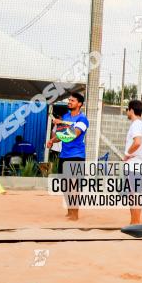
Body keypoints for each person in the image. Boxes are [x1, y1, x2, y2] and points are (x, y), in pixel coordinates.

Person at [46, 92, 89, 221]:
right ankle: (70, 212)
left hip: (76, 156)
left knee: (73, 186)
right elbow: (62, 136)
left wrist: (62, 123)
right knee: (65, 186)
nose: (69, 102)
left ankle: (75, 215)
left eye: (72, 100)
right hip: (64, 155)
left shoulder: (82, 119)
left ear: (79, 104)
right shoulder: (66, 116)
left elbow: (74, 134)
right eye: (69, 100)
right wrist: (52, 140)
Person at [123, 99, 142, 225]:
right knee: (133, 194)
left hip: (134, 164)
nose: (127, 112)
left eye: (127, 109)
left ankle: (136, 224)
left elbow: (137, 142)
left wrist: (127, 154)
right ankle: (134, 223)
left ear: (131, 110)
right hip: (139, 163)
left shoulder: (136, 124)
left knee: (135, 194)